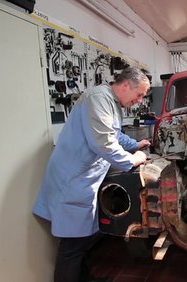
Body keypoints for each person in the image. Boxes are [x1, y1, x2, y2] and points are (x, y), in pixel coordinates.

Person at [33, 67, 151, 282]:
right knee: (72, 247)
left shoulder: (111, 102)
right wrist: (133, 159)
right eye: (139, 94)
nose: (140, 100)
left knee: (82, 241)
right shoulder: (98, 98)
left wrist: (135, 144)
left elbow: (113, 134)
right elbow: (105, 144)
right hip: (72, 181)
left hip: (83, 181)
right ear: (126, 85)